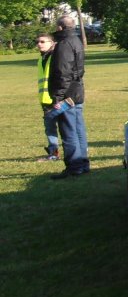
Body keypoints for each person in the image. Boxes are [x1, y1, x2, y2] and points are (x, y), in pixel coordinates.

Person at [48, 15, 89, 178]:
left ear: (60, 27)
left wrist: (58, 97)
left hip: (67, 93)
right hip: (77, 90)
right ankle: (83, 163)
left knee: (68, 130)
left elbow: (63, 72)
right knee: (78, 129)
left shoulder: (64, 44)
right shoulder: (76, 40)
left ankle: (74, 166)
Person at [35, 32, 60, 162]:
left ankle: (77, 152)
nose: (39, 44)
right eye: (37, 42)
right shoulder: (42, 59)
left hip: (57, 99)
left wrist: (58, 97)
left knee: (67, 128)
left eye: (42, 41)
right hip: (46, 100)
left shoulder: (56, 57)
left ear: (52, 43)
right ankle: (53, 153)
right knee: (50, 128)